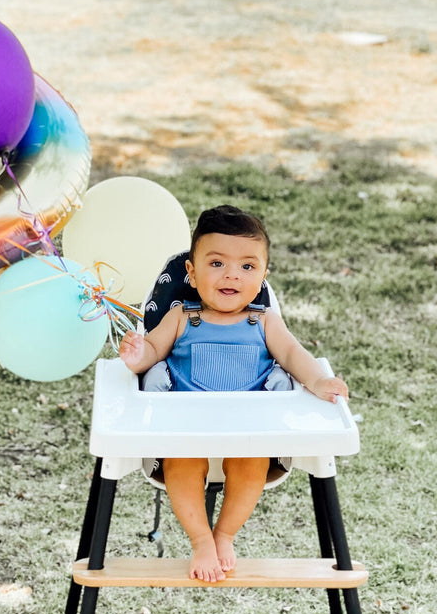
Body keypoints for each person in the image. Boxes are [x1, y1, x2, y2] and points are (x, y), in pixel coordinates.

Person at [119, 205, 349, 584]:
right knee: (180, 465)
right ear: (191, 273)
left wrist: (318, 381)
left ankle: (224, 534)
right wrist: (135, 355)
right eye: (216, 263)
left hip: (249, 430)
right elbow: (152, 352)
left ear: (262, 277)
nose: (231, 275)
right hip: (186, 428)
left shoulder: (264, 322)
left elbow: (293, 355)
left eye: (247, 266)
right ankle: (200, 540)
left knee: (252, 464)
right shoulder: (180, 317)